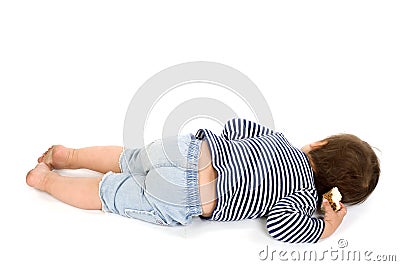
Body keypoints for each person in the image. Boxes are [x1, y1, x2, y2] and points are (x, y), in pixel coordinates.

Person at [26, 118, 380, 243]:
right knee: (109, 195)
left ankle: (67, 156)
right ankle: (46, 182)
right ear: (332, 195)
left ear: (319, 144)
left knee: (126, 157)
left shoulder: (278, 141)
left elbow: (234, 128)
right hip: (189, 195)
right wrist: (325, 226)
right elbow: (280, 226)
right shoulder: (300, 198)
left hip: (189, 151)